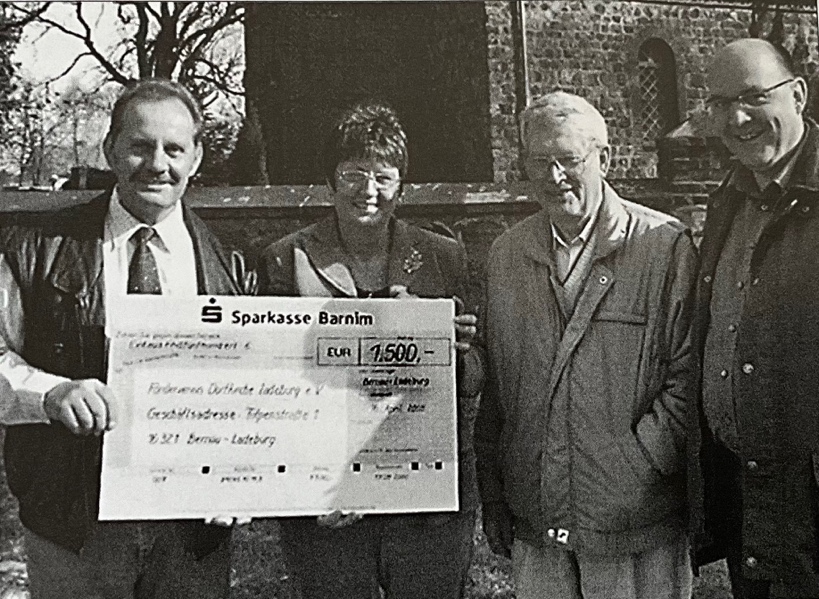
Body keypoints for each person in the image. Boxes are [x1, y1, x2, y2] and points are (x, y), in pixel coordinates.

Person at [0, 78, 251, 598]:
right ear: (110, 150)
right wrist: (49, 393)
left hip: (192, 531)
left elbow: (256, 388)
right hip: (73, 524)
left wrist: (246, 475)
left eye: (174, 149)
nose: (158, 164)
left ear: (197, 157)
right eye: (140, 146)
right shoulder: (34, 248)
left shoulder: (234, 263)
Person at [474, 91, 697, 599]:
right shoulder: (507, 255)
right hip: (538, 518)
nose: (554, 176)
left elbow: (689, 375)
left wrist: (637, 463)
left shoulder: (662, 246)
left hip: (635, 523)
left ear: (605, 159)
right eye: (539, 162)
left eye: (569, 160)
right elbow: (497, 391)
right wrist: (498, 491)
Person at [257, 101, 483, 599]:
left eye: (383, 176)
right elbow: (269, 379)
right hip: (326, 494)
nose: (369, 189)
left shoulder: (443, 257)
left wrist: (455, 349)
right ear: (330, 182)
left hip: (424, 492)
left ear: (402, 185)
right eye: (354, 174)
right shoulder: (286, 259)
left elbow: (476, 378)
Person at [689, 38, 819, 598]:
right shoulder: (731, 199)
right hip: (750, 494)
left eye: (753, 97)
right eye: (720, 103)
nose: (736, 119)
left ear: (798, 94)